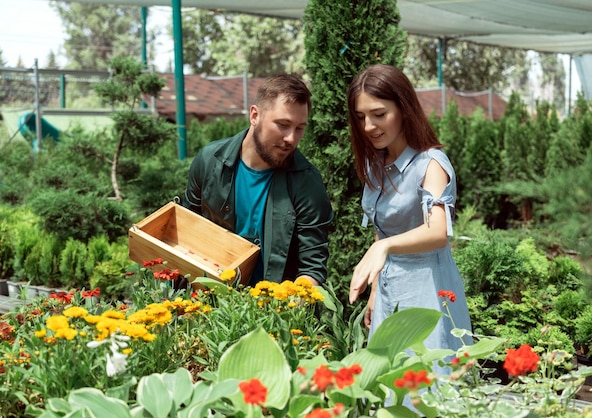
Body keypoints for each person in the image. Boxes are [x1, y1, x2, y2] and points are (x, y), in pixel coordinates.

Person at [347, 64, 472, 357]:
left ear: (404, 109)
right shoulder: (374, 165)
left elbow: (438, 231)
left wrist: (384, 248)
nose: (368, 126)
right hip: (390, 292)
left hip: (427, 289)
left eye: (379, 115)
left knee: (425, 382)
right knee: (389, 385)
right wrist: (375, 292)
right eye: (361, 117)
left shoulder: (431, 164)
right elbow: (383, 233)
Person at [182, 74, 333, 287]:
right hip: (212, 304)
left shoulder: (307, 182)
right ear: (255, 115)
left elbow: (312, 267)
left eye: (300, 128)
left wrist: (287, 306)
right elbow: (185, 229)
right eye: (283, 124)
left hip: (273, 310)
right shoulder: (209, 161)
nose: (291, 138)